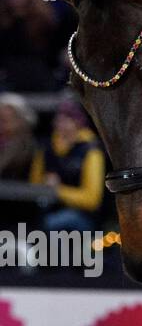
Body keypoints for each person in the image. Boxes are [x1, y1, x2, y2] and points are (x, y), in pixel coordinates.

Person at [29, 97, 105, 232]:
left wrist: (58, 190)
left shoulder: (90, 150)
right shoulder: (47, 147)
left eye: (66, 119)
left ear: (78, 122)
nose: (60, 124)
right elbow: (33, 183)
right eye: (59, 119)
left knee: (49, 225)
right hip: (48, 206)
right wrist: (44, 183)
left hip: (83, 214)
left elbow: (92, 199)